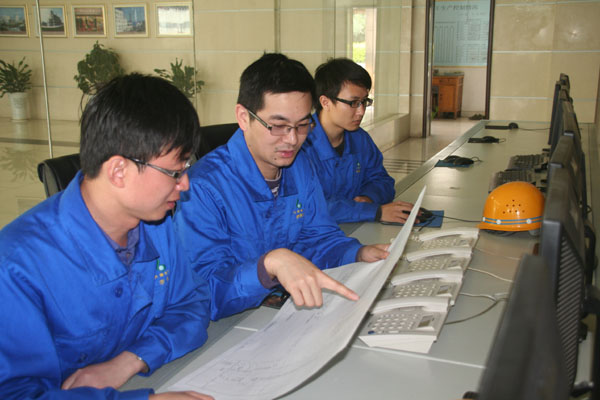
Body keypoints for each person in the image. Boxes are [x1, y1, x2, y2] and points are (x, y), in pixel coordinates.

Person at [0, 74, 213, 399]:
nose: (184, 184)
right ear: (118, 171)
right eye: (175, 172)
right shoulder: (16, 267)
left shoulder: (155, 224)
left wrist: (130, 361)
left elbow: (191, 304)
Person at [174, 53, 389, 321]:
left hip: (280, 315)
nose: (292, 140)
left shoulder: (299, 167)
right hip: (228, 326)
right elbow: (204, 290)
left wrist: (357, 252)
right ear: (243, 117)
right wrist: (267, 268)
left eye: (302, 125)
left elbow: (318, 237)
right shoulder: (202, 188)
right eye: (278, 126)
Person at [302, 58, 415, 224]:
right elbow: (308, 205)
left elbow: (381, 180)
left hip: (356, 227)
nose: (361, 111)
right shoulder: (301, 144)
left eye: (364, 102)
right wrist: (373, 211)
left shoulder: (360, 139)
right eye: (353, 103)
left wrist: (369, 198)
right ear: (325, 102)